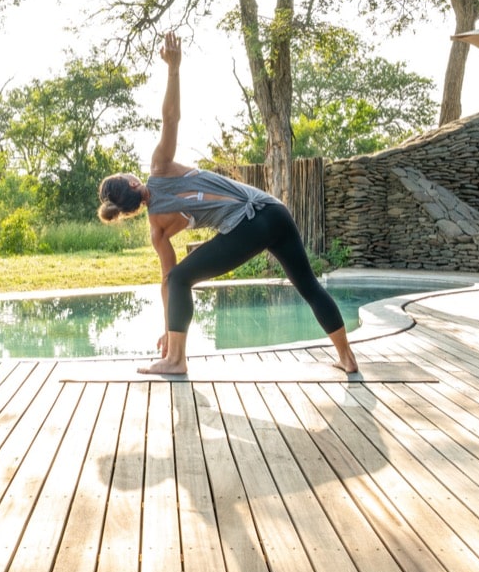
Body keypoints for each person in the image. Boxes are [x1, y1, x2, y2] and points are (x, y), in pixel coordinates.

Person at [98, 31, 359, 375]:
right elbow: (171, 119)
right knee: (308, 285)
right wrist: (173, 69)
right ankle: (347, 358)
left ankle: (176, 360)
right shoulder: (159, 169)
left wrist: (170, 330)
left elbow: (168, 283)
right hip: (274, 211)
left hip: (249, 224)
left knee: (179, 278)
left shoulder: (157, 228)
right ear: (133, 183)